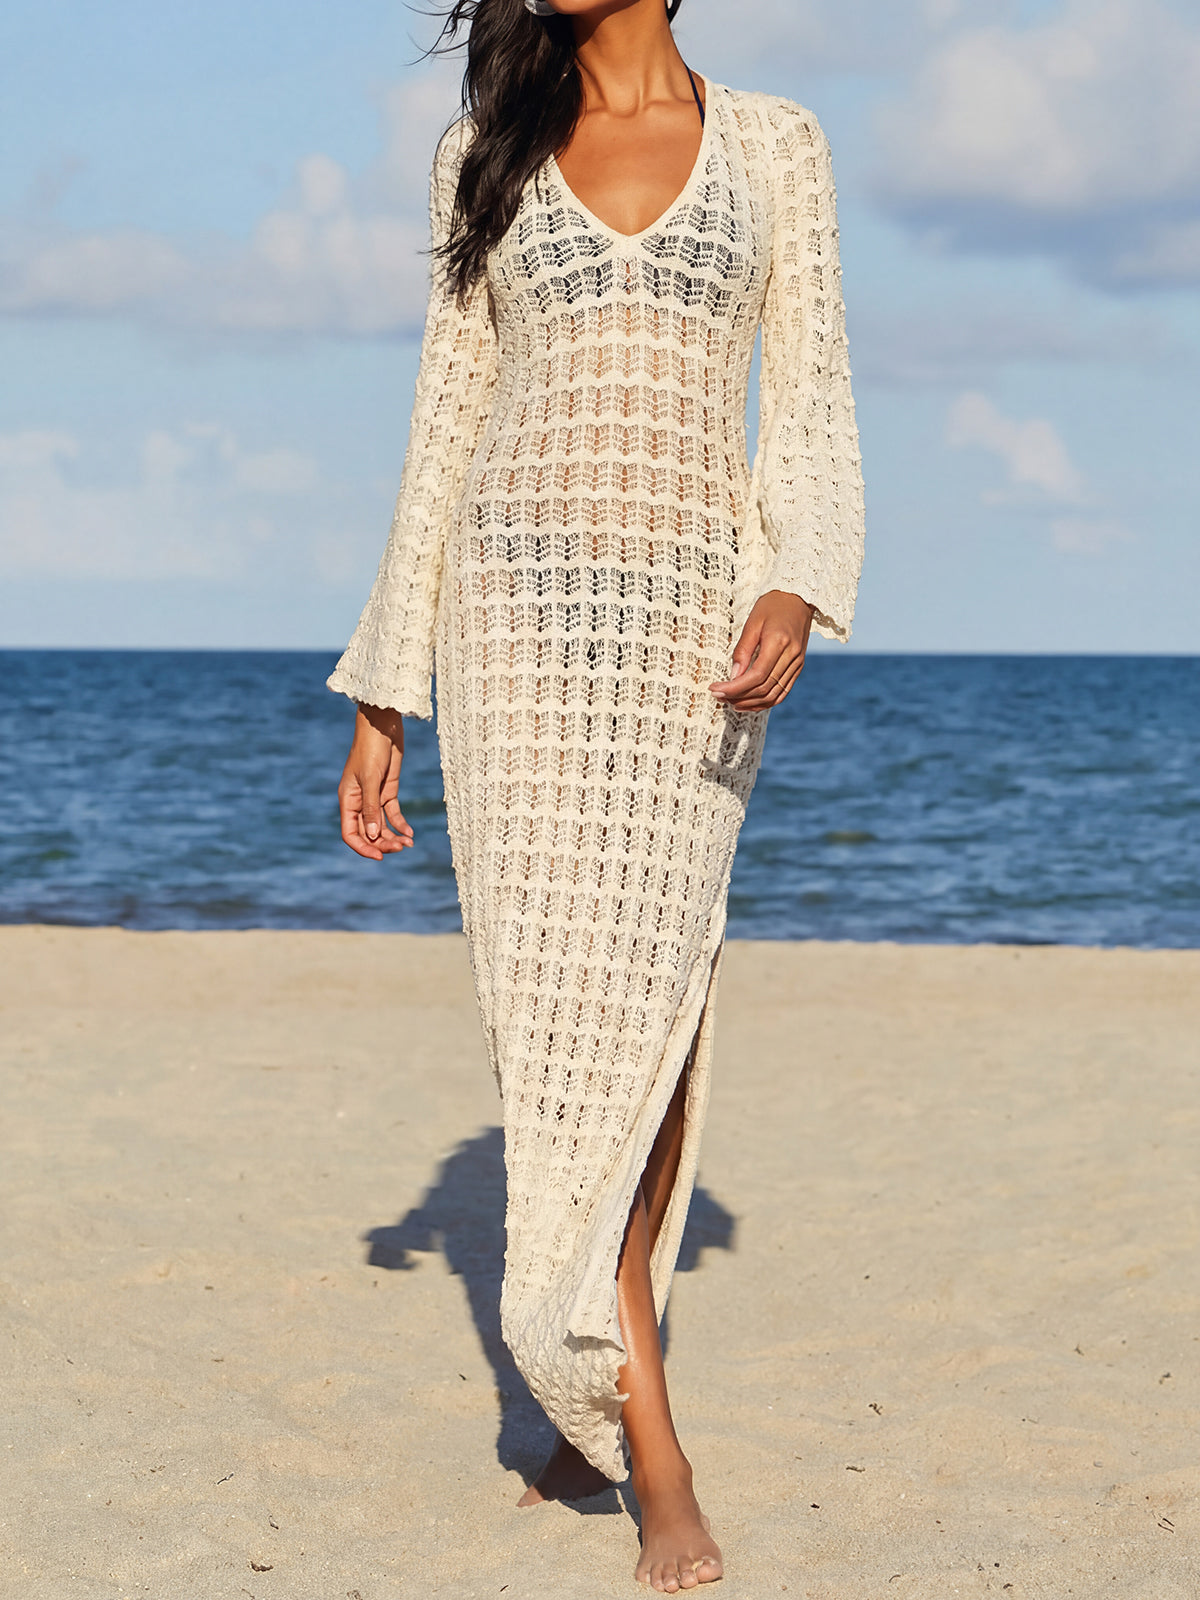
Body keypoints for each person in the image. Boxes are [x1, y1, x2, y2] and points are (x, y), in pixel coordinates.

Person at [329, 0, 864, 1589]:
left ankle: (579, 1365)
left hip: (696, 634)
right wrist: (386, 688)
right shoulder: (479, 156)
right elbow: (446, 424)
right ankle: (649, 1434)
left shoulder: (773, 141)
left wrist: (799, 584)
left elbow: (815, 389)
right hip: (511, 625)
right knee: (555, 1020)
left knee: (659, 1002)